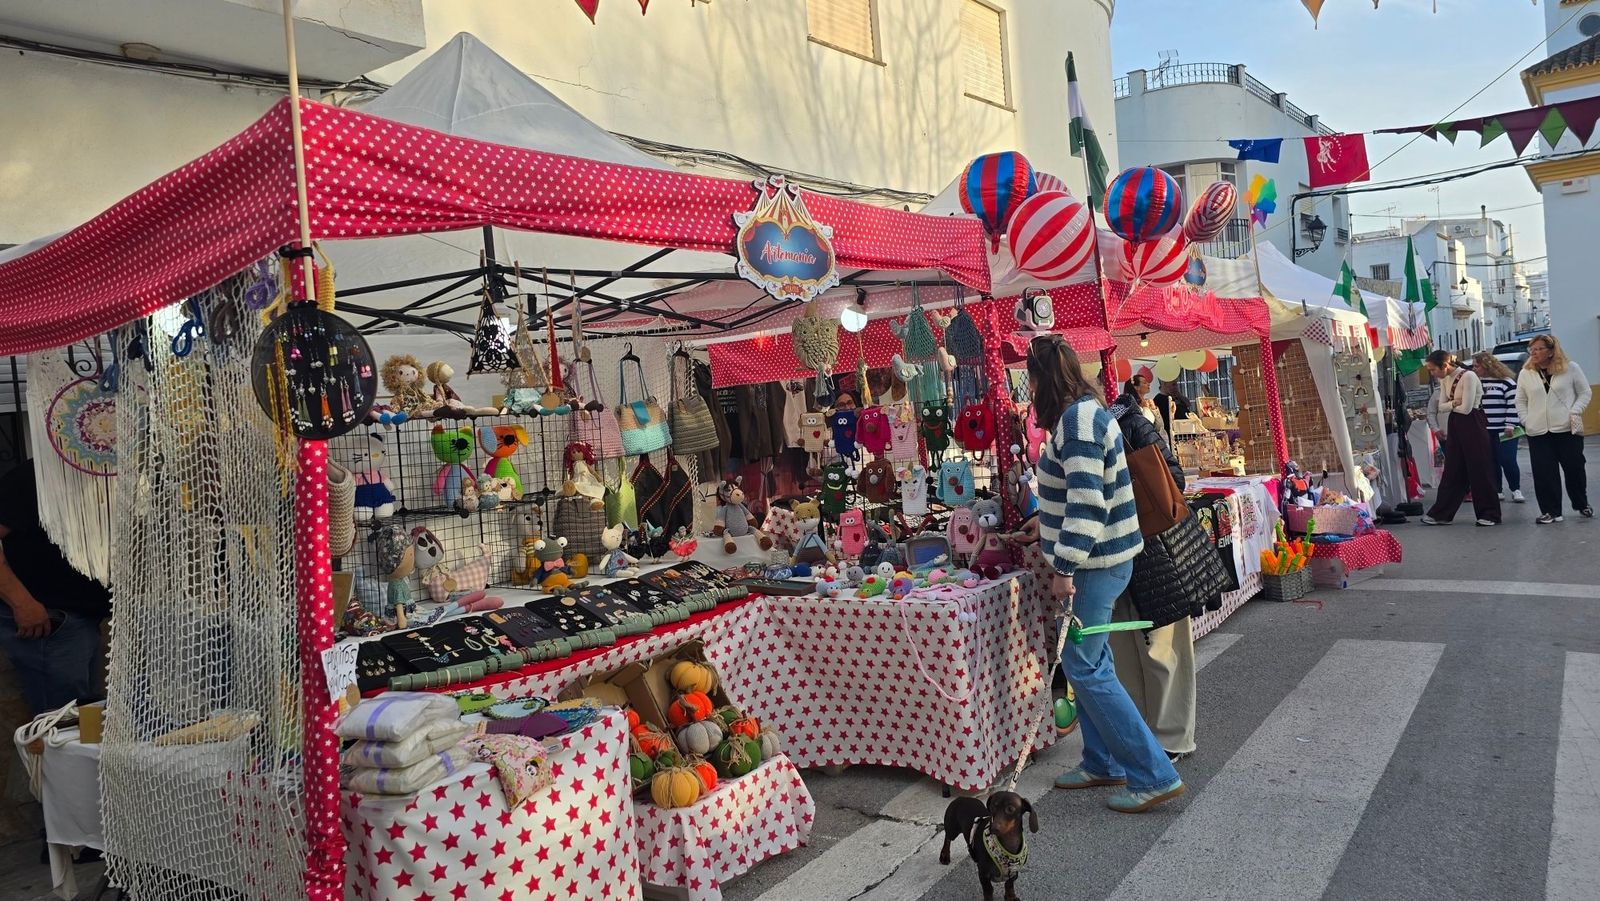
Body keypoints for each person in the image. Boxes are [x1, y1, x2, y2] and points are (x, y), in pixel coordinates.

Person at [1029, 334, 1185, 813]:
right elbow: (1082, 494)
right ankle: (1102, 761)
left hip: (1094, 564)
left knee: (1085, 668)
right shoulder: (1087, 413)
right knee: (1093, 664)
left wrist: (1063, 566)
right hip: (1106, 559)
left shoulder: (1076, 421)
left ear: (1040, 379)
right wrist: (1042, 525)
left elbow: (1087, 505)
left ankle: (1152, 773)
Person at [1107, 383, 1197, 761]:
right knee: (1126, 649)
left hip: (1156, 548)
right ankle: (1143, 732)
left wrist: (1128, 494)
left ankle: (1173, 737)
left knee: (1164, 648)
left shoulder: (1131, 422)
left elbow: (1174, 480)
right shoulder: (1087, 430)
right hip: (1119, 550)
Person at [0, 460, 113, 714]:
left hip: (85, 621)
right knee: (61, 729)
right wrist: (22, 602)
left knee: (85, 724)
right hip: (51, 624)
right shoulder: (33, 477)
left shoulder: (98, 478)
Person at [1516, 334, 1592, 524]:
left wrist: (1575, 411)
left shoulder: (1570, 368)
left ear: (1551, 351)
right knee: (1544, 473)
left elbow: (1585, 392)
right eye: (1531, 349)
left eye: (1539, 348)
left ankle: (1581, 503)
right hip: (1538, 431)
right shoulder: (1526, 373)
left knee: (1574, 469)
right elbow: (1520, 399)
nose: (1534, 352)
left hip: (1566, 430)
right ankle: (1551, 511)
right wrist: (1526, 419)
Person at [1422, 351, 1501, 527]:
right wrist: (1454, 403)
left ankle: (1489, 513)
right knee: (1453, 468)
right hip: (1456, 423)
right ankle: (1441, 513)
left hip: (1473, 422)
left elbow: (1466, 408)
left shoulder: (1469, 376)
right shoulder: (1444, 380)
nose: (1432, 373)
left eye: (1433, 369)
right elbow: (1441, 407)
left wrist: (1452, 404)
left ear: (1445, 365)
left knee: (1480, 467)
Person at [1472, 351, 1525, 504]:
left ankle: (1516, 489)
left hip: (1506, 430)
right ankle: (1497, 489)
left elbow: (1512, 404)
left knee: (1507, 459)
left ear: (1487, 366)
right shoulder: (1476, 383)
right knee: (1490, 460)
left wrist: (1510, 424)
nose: (1474, 369)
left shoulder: (1506, 382)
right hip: (1484, 430)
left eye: (1477, 366)